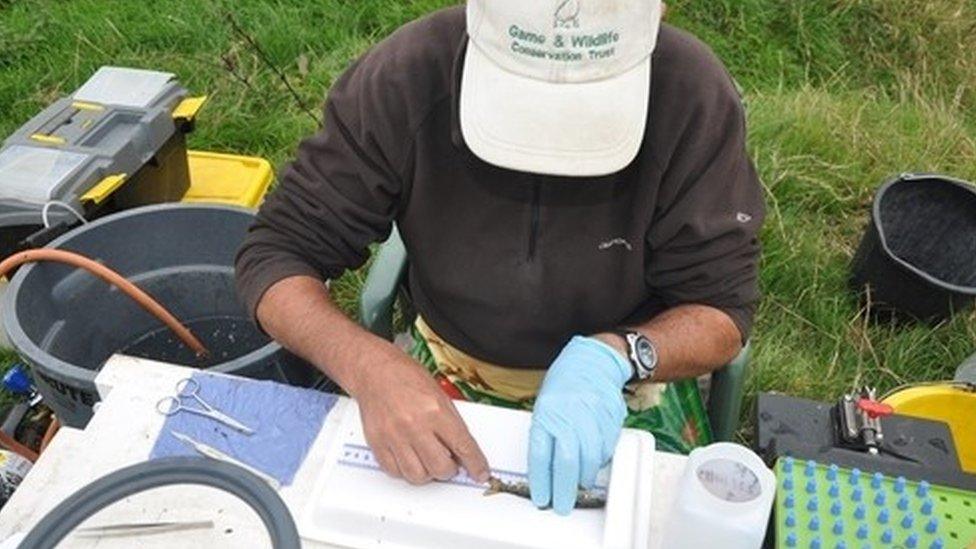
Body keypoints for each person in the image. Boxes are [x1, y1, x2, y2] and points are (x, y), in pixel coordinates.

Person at [235, 0, 763, 516]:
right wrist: (367, 364)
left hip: (628, 380)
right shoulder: (406, 77)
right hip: (452, 365)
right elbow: (276, 255)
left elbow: (721, 312)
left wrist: (615, 357)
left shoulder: (693, 96)